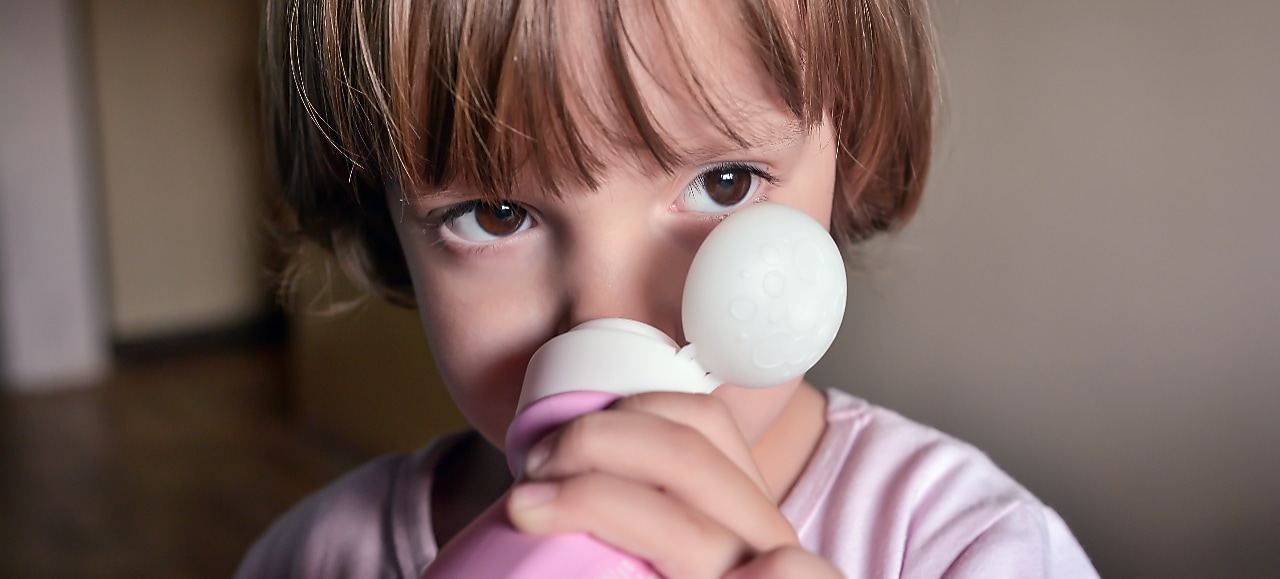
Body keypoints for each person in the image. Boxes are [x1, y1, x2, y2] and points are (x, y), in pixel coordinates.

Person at [240, 0, 1099, 577]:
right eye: (496, 214)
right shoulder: (319, 555)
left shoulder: (966, 545)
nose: (609, 318)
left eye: (725, 183)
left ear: (850, 161)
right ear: (383, 221)